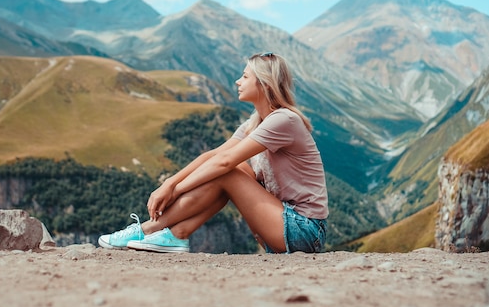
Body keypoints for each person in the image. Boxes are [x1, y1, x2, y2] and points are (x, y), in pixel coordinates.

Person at [98, 52, 329, 253]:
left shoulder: (283, 120)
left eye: (245, 76)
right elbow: (212, 156)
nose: (238, 81)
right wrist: (168, 184)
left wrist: (175, 189)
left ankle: (146, 230)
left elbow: (224, 163)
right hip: (283, 223)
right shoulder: (256, 122)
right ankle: (178, 233)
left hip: (304, 231)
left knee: (229, 171)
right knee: (235, 169)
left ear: (265, 84)